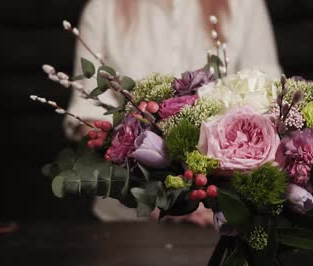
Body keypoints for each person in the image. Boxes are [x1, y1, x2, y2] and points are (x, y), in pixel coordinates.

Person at [65, 0, 282, 224]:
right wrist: (147, 192)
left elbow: (268, 96)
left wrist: (214, 193)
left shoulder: (245, 5)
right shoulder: (103, 9)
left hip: (221, 215)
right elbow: (89, 116)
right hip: (130, 218)